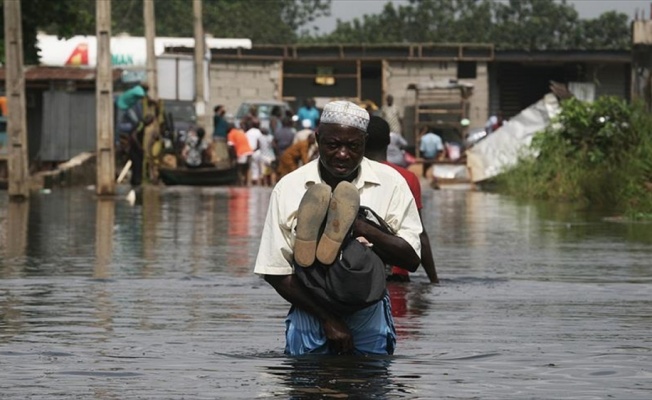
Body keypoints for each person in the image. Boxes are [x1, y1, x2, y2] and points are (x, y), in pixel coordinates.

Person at [254, 100, 422, 356]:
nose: (342, 154)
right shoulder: (290, 187)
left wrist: (360, 227)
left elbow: (411, 259)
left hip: (368, 305)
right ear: (318, 139)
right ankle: (319, 239)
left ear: (364, 143)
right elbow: (274, 271)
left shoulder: (391, 183)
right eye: (333, 145)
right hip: (311, 307)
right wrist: (328, 319)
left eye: (352, 146)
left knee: (367, 385)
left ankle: (349, 227)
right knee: (310, 387)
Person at [365, 116, 438, 284]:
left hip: (359, 272)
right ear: (389, 141)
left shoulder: (350, 174)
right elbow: (420, 233)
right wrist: (434, 280)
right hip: (397, 274)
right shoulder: (407, 178)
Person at [245, 119, 264, 185]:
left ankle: (253, 181)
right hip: (258, 152)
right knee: (260, 167)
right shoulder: (259, 132)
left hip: (250, 152)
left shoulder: (247, 132)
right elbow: (260, 143)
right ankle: (261, 182)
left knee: (253, 167)